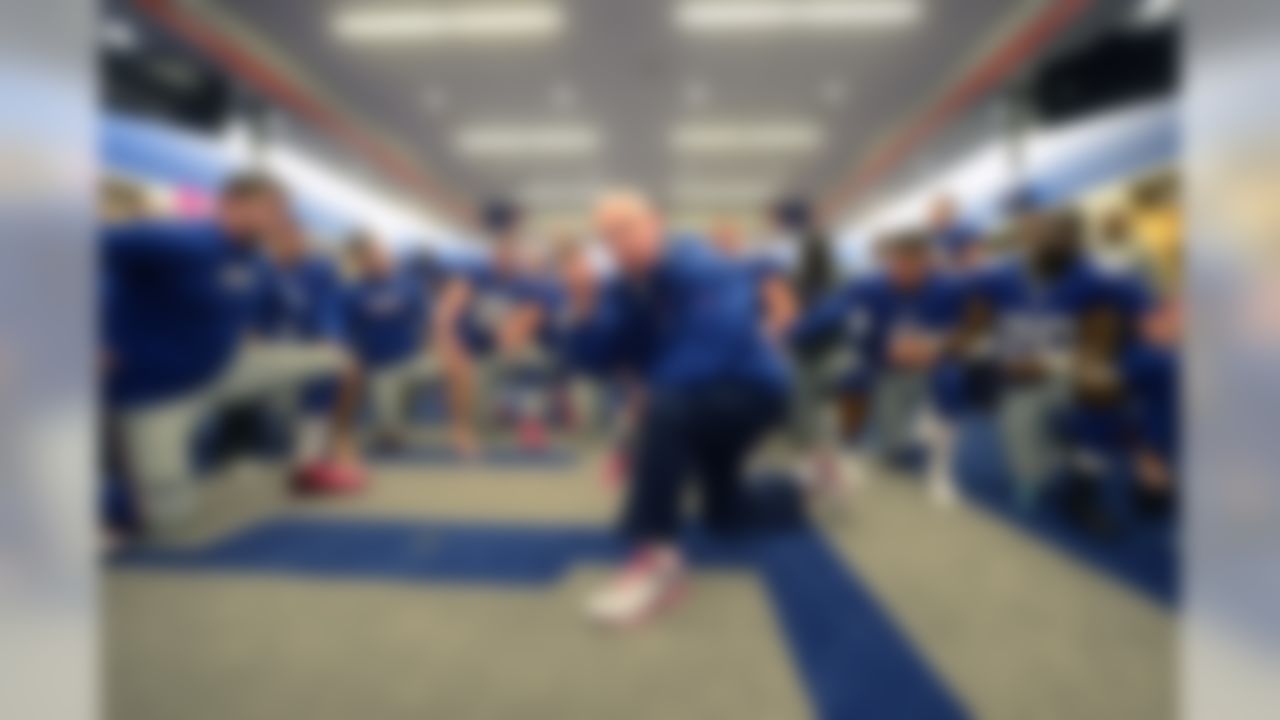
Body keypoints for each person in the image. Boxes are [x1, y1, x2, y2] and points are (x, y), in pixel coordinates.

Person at [563, 191, 792, 626]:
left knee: (663, 410)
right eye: (606, 238)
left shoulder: (705, 267)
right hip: (695, 401)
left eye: (625, 229)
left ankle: (657, 559)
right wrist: (584, 305)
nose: (617, 244)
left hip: (750, 392)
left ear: (656, 223)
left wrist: (642, 404)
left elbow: (710, 348)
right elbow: (595, 362)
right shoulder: (623, 287)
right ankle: (799, 486)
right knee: (724, 514)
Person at [103, 173, 350, 534]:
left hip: (223, 371)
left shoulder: (257, 263)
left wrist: (321, 337)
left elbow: (255, 311)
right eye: (273, 209)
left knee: (336, 358)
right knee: (167, 521)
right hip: (157, 390)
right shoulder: (173, 240)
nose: (281, 219)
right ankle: (102, 507)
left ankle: (306, 462)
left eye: (284, 211)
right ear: (232, 205)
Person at [983, 208, 1152, 514]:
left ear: (1077, 240)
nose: (1050, 242)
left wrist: (1065, 363)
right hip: (1017, 370)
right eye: (1041, 236)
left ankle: (1084, 476)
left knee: (1100, 406)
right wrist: (994, 354)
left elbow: (1139, 321)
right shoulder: (999, 273)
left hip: (1074, 367)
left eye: (1063, 237)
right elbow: (976, 323)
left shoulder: (1104, 276)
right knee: (1020, 425)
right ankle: (1033, 476)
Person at [792, 230, 962, 503]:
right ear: (889, 262)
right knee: (848, 376)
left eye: (912, 265)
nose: (903, 271)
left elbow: (965, 331)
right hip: (881, 362)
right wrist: (794, 332)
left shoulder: (949, 289)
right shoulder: (867, 287)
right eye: (897, 264)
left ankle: (940, 471)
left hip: (931, 362)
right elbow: (834, 315)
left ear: (927, 264)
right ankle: (847, 448)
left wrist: (936, 348)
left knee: (952, 381)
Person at [433, 202, 553, 456]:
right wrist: (448, 344)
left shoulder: (526, 281)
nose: (507, 257)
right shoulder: (474, 274)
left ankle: (529, 422)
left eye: (513, 253)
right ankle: (462, 430)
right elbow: (445, 313)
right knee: (460, 368)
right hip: (471, 347)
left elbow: (530, 317)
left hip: (505, 346)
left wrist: (514, 335)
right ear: (494, 254)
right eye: (502, 252)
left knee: (535, 359)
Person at [258, 224, 364, 492]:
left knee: (339, 367)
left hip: (304, 348)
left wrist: (332, 339)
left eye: (297, 237)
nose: (292, 243)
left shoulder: (319, 270)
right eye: (283, 238)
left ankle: (313, 456)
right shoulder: (258, 270)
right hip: (263, 348)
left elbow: (329, 310)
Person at [343, 232, 434, 451]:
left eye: (382, 254)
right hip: (379, 365)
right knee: (390, 431)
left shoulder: (410, 286)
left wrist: (429, 344)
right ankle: (391, 428)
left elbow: (426, 320)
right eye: (371, 256)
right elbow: (346, 330)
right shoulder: (353, 292)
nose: (379, 259)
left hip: (412, 358)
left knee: (451, 368)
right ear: (362, 262)